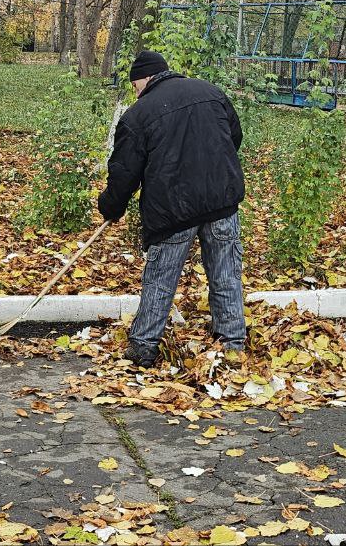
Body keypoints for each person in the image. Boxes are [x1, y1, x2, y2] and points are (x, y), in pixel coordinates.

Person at [98, 50, 246, 367]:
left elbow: (124, 172)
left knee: (160, 280)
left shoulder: (139, 115)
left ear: (144, 79)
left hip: (173, 211)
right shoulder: (211, 92)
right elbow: (234, 137)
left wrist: (111, 207)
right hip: (222, 202)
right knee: (227, 276)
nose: (136, 93)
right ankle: (233, 345)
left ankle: (143, 347)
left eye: (135, 87)